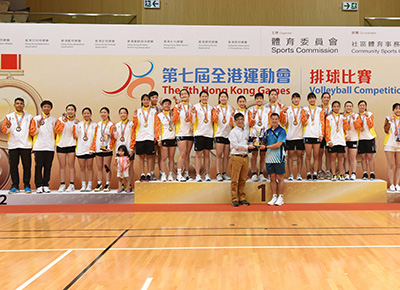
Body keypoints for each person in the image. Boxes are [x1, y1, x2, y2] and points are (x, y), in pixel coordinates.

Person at [1, 97, 33, 193]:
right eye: (17, 103)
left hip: (25, 145)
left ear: (23, 105)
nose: (19, 105)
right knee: (13, 166)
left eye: (21, 103)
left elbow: (32, 131)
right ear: (14, 105)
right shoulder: (9, 116)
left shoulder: (29, 116)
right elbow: (4, 131)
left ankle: (27, 185)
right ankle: (15, 186)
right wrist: (8, 126)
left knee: (27, 166)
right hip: (13, 145)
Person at [29, 100, 57, 193]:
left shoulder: (54, 119)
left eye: (48, 107)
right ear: (42, 108)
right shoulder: (36, 118)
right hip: (39, 147)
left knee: (48, 167)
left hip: (49, 147)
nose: (46, 108)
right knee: (38, 167)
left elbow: (57, 133)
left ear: (51, 108)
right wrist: (37, 126)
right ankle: (38, 185)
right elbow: (32, 132)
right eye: (44, 107)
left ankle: (46, 184)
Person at [228, 113, 254, 207]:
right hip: (236, 157)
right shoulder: (233, 132)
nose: (240, 121)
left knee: (243, 179)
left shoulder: (246, 131)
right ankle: (234, 198)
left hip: (245, 157)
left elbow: (248, 142)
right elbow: (236, 146)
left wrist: (254, 143)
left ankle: (242, 198)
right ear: (235, 121)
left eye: (242, 119)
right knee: (235, 180)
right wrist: (248, 147)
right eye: (238, 120)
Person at [261, 113, 286, 206]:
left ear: (279, 120)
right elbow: (263, 141)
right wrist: (258, 140)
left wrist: (266, 147)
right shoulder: (267, 131)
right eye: (273, 119)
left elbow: (278, 144)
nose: (274, 121)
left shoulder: (282, 131)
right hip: (269, 158)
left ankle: (281, 197)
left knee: (280, 178)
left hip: (279, 157)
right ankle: (274, 196)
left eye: (276, 119)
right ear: (270, 120)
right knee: (272, 178)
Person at [132, 94, 157, 182]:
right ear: (142, 101)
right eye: (144, 100)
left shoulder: (154, 111)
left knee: (150, 156)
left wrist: (155, 136)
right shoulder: (138, 111)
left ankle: (149, 173)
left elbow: (156, 124)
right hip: (140, 136)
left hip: (150, 136)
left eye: (147, 100)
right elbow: (135, 125)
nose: (146, 101)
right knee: (141, 156)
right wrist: (134, 116)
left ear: (149, 101)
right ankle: (142, 173)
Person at [280, 92, 304, 181]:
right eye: (294, 98)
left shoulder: (303, 110)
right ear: (291, 99)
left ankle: (299, 174)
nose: (296, 99)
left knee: (300, 156)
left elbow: (305, 122)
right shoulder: (288, 109)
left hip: (300, 136)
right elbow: (283, 122)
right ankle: (290, 174)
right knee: (290, 156)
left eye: (297, 98)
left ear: (300, 99)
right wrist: (283, 112)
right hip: (289, 136)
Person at [301, 92, 325, 180]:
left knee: (316, 155)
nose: (312, 100)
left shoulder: (319, 110)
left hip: (316, 135)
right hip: (307, 135)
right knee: (308, 155)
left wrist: (321, 134)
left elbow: (321, 123)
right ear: (308, 100)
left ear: (315, 99)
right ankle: (308, 173)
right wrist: (306, 118)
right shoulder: (304, 109)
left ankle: (315, 173)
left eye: (313, 98)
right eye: (310, 98)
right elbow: (303, 122)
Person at [55, 104, 78, 192]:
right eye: (68, 109)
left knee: (71, 165)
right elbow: (57, 131)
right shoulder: (60, 120)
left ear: (75, 111)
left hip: (71, 145)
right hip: (61, 145)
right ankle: (62, 184)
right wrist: (63, 123)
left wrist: (76, 125)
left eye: (72, 110)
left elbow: (77, 135)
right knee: (62, 166)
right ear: (66, 111)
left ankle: (72, 184)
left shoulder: (76, 121)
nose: (70, 111)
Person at [91, 107, 115, 191]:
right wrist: (93, 148)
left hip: (107, 149)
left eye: (105, 112)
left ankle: (107, 183)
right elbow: (95, 137)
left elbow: (113, 138)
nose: (103, 114)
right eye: (101, 112)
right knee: (99, 167)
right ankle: (99, 183)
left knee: (106, 167)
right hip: (98, 148)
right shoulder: (98, 124)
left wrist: (109, 147)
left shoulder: (111, 124)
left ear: (108, 114)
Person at [191, 90, 213, 182]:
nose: (204, 98)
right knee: (198, 155)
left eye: (206, 96)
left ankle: (207, 174)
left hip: (209, 133)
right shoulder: (195, 107)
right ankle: (198, 175)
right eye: (202, 96)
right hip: (199, 133)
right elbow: (192, 121)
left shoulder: (211, 108)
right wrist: (192, 113)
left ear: (208, 97)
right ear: (200, 97)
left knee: (207, 155)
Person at [173, 88, 194, 182]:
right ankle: (178, 174)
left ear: (189, 95)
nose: (184, 96)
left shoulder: (192, 106)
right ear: (180, 96)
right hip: (181, 132)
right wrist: (177, 111)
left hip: (190, 133)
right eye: (182, 94)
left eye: (185, 94)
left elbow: (194, 119)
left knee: (187, 154)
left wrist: (193, 126)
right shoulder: (177, 106)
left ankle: (186, 174)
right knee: (182, 153)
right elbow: (174, 120)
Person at [74, 107, 97, 192]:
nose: (86, 115)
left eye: (88, 113)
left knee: (90, 167)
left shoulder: (94, 125)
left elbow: (95, 138)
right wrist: (75, 126)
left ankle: (89, 185)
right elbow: (75, 135)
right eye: (85, 113)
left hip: (90, 149)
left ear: (90, 114)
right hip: (80, 149)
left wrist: (92, 149)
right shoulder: (79, 124)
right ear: (82, 114)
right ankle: (83, 185)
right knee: (82, 168)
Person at [325, 101, 349, 181]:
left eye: (337, 106)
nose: (336, 108)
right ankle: (334, 175)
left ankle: (341, 174)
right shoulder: (328, 118)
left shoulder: (342, 117)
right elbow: (327, 130)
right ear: (332, 107)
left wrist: (345, 118)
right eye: (334, 106)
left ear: (339, 107)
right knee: (332, 158)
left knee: (340, 158)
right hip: (332, 141)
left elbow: (346, 128)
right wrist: (329, 141)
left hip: (341, 141)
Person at [212, 91, 233, 181]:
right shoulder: (215, 108)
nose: (223, 98)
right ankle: (218, 174)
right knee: (219, 155)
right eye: (222, 97)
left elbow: (232, 122)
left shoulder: (231, 108)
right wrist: (216, 114)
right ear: (219, 98)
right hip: (219, 134)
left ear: (227, 98)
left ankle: (224, 173)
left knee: (226, 155)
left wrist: (232, 115)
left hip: (228, 134)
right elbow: (214, 120)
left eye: (225, 97)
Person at [155, 98, 177, 182]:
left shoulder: (173, 114)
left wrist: (176, 101)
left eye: (168, 104)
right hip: (164, 138)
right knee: (164, 158)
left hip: (172, 138)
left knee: (171, 158)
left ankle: (170, 174)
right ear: (162, 105)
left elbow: (178, 108)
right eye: (165, 104)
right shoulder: (159, 115)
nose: (167, 105)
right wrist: (159, 139)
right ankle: (163, 174)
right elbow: (158, 128)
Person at [114, 107, 135, 190]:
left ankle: (128, 184)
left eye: (124, 113)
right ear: (119, 115)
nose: (123, 115)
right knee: (120, 168)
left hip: (129, 149)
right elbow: (115, 138)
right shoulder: (117, 125)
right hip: (119, 151)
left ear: (127, 114)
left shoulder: (131, 124)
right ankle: (121, 184)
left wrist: (132, 149)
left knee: (130, 167)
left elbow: (133, 137)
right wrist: (114, 131)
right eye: (121, 113)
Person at [249, 93, 268, 181]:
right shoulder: (251, 110)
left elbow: (269, 123)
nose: (259, 100)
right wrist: (253, 116)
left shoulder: (267, 110)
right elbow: (250, 123)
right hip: (254, 135)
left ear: (263, 100)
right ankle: (254, 173)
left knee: (263, 154)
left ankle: (261, 173)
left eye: (261, 98)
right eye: (257, 99)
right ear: (255, 100)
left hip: (264, 135)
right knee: (254, 154)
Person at [357, 100, 376, 180]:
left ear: (365, 106)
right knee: (363, 157)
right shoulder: (356, 115)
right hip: (361, 138)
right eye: (360, 105)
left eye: (363, 105)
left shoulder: (370, 114)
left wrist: (367, 117)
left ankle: (372, 173)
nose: (362, 106)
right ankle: (365, 173)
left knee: (370, 157)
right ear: (358, 107)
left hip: (369, 138)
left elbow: (371, 125)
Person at [343, 101, 361, 180]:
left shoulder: (356, 115)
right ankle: (346, 173)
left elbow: (358, 127)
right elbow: (340, 128)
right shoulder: (342, 116)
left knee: (352, 157)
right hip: (344, 139)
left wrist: (354, 120)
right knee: (345, 157)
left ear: (352, 107)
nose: (348, 107)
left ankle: (353, 173)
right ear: (344, 107)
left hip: (353, 139)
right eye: (347, 106)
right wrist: (346, 136)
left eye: (350, 106)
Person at [384, 103, 400, 192]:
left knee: (399, 165)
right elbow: (386, 130)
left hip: (399, 145)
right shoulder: (388, 118)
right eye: (396, 109)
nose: (398, 110)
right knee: (391, 165)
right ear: (393, 110)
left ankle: (397, 184)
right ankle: (391, 184)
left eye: (399, 109)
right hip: (390, 144)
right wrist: (390, 120)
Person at [318, 92, 333, 180]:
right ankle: (320, 171)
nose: (326, 99)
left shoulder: (332, 108)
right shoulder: (318, 108)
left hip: (329, 134)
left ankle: (328, 171)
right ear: (321, 98)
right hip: (320, 134)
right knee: (320, 154)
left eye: (328, 97)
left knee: (328, 154)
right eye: (324, 97)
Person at [149, 90, 163, 180]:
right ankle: (152, 173)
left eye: (156, 97)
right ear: (150, 99)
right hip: (152, 134)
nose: (155, 99)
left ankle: (162, 172)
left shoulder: (160, 108)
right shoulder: (148, 109)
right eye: (153, 97)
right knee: (153, 155)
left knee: (161, 154)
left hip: (161, 134)